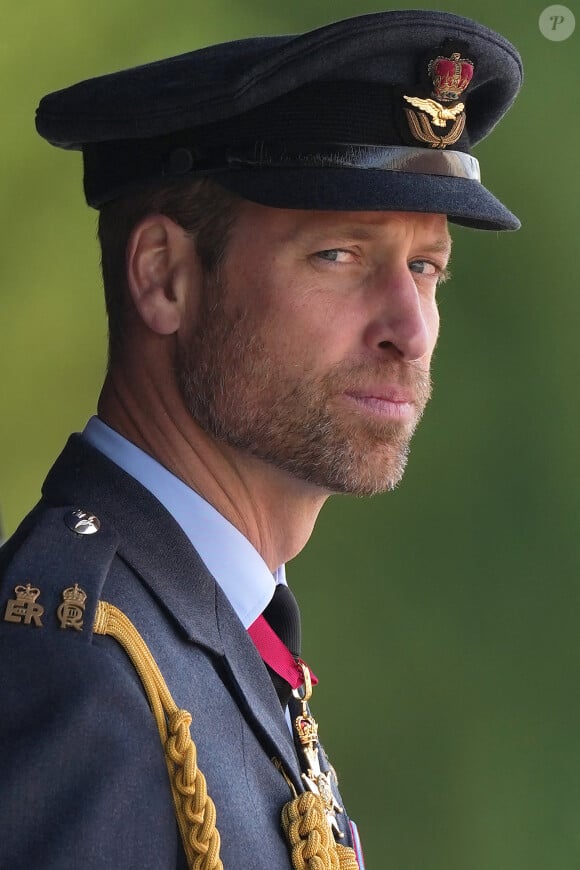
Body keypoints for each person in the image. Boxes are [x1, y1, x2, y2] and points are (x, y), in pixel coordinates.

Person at [0, 9, 522, 870]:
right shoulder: (76, 672)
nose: (411, 329)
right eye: (340, 255)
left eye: (424, 267)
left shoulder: (217, 636)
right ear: (163, 277)